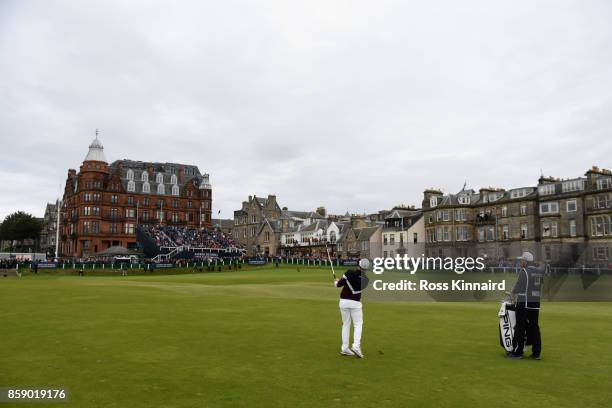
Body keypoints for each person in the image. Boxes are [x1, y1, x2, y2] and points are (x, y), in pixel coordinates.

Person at [507, 251, 543, 360]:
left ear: (526, 261)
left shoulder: (524, 271)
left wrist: (511, 294)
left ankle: (518, 352)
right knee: (534, 327)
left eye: (522, 260)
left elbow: (518, 287)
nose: (520, 262)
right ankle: (536, 353)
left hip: (524, 302)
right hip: (536, 303)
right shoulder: (539, 272)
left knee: (520, 327)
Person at [335, 258, 370, 358]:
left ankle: (345, 348)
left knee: (346, 324)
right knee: (358, 324)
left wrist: (336, 282)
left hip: (343, 302)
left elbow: (339, 284)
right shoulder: (366, 280)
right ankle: (356, 346)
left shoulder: (349, 272)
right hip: (355, 303)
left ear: (358, 265)